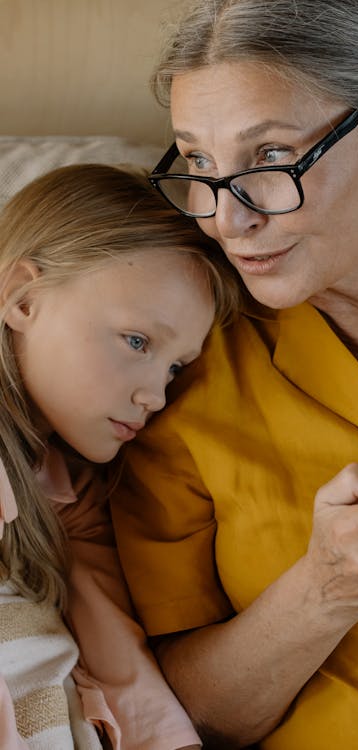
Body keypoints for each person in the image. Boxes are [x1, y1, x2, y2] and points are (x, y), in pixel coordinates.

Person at [111, 1, 358, 748]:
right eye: (198, 163)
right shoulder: (170, 381)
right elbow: (181, 720)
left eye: (271, 156)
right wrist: (323, 595)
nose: (230, 219)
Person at [0, 162, 237, 749]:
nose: (155, 395)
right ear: (23, 298)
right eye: (137, 341)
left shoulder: (67, 488)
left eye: (176, 366)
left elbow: (120, 662)